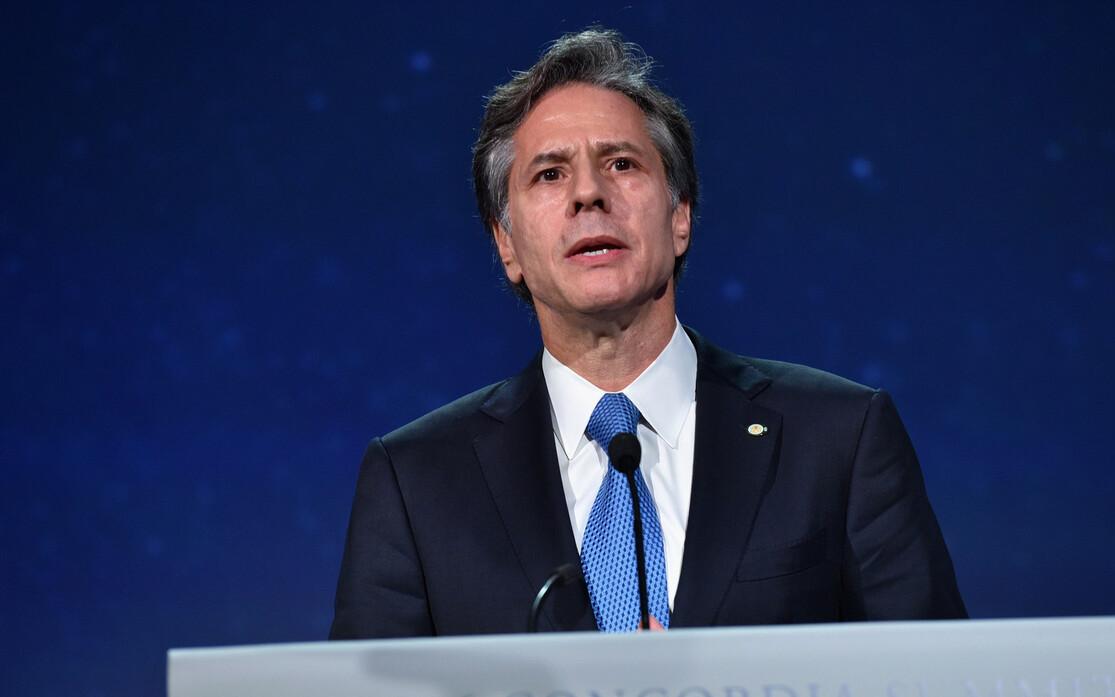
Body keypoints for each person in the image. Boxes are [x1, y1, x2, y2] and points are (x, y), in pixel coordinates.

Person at [329, 27, 965, 638]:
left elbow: (937, 678)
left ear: (680, 215)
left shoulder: (839, 439)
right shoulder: (416, 481)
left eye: (622, 163)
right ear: (507, 245)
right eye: (549, 174)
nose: (588, 193)